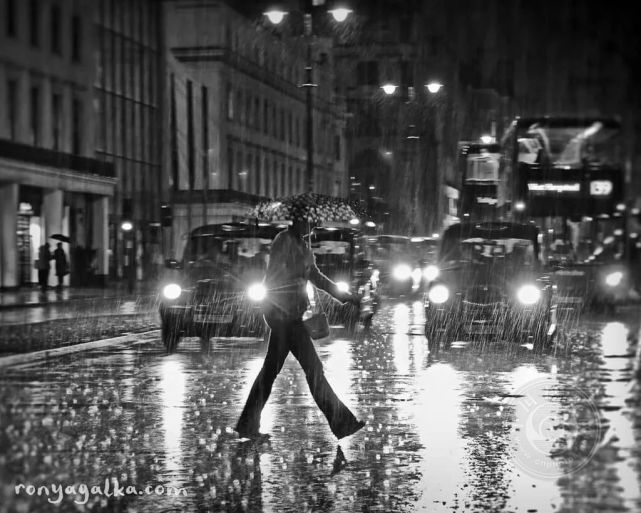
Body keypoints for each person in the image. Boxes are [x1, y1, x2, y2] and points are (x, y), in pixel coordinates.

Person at [235, 217, 365, 440]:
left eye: (314, 224)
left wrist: (346, 297)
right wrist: (293, 283)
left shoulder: (303, 246)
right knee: (313, 370)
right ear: (297, 222)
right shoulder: (284, 241)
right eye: (309, 223)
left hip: (291, 315)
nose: (312, 227)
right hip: (282, 316)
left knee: (270, 373)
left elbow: (316, 277)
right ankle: (341, 422)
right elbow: (277, 276)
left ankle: (247, 424)